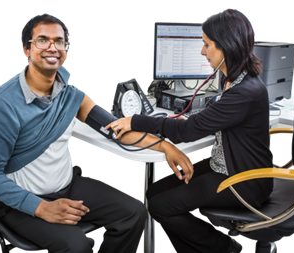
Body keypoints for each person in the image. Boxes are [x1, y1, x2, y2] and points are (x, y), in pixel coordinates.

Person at [0, 14, 194, 253]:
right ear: (26, 49)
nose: (52, 48)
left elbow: (115, 129)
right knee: (77, 245)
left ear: (67, 48)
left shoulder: (70, 96)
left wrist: (165, 146)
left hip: (67, 187)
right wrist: (41, 208)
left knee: (134, 212)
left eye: (59, 41)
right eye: (42, 41)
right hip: (21, 203)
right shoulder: (1, 105)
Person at [106, 8, 274, 253]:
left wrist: (136, 121)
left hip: (243, 182)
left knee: (161, 207)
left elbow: (188, 131)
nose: (202, 52)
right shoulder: (235, 79)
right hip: (227, 166)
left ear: (226, 46)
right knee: (153, 194)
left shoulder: (244, 92)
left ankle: (226, 249)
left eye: (207, 45)